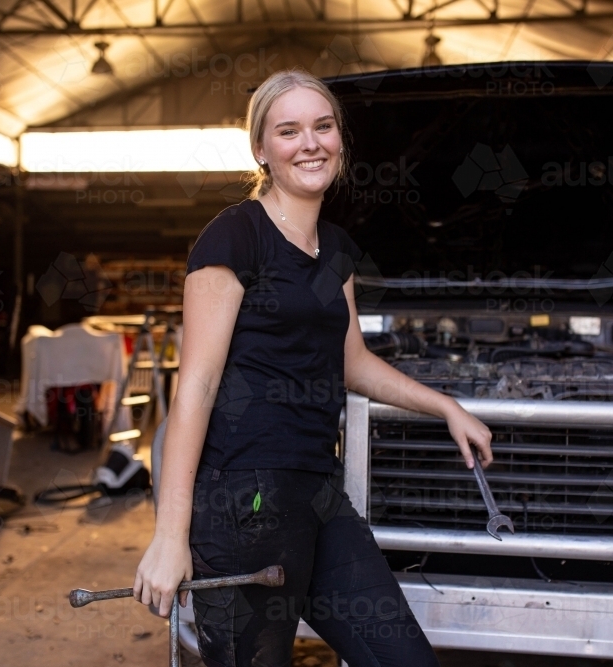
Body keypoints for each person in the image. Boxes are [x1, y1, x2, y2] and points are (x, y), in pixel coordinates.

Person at [134, 67, 493, 666]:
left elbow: (353, 362)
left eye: (323, 127)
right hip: (240, 501)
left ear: (340, 141)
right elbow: (193, 389)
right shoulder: (233, 237)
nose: (310, 143)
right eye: (289, 131)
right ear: (261, 150)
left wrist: (445, 406)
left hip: (319, 495)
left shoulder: (337, 250)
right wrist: (170, 537)